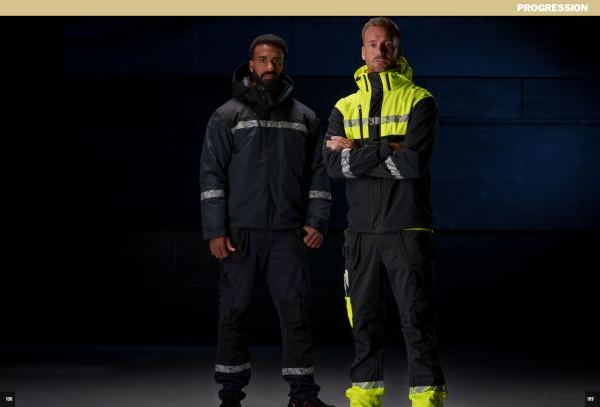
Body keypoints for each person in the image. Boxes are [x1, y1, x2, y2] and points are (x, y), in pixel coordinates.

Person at [200, 34, 334, 407]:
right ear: (251, 64)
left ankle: (302, 396)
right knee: (233, 312)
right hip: (239, 234)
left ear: (283, 64)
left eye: (275, 60)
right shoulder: (226, 115)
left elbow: (318, 174)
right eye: (262, 60)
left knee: (296, 313)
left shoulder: (305, 117)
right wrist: (215, 230)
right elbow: (211, 175)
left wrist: (317, 220)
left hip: (289, 234)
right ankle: (230, 396)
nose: (269, 66)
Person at [323, 17, 448, 407]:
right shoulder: (344, 106)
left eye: (387, 44)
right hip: (360, 235)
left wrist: (357, 151)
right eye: (373, 44)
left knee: (416, 321)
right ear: (362, 52)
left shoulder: (420, 100)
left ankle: (427, 401)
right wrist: (385, 148)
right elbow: (334, 168)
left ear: (398, 50)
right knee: (363, 323)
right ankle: (364, 399)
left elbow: (411, 164)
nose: (380, 50)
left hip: (407, 230)